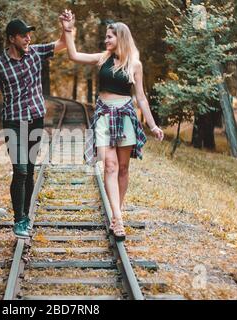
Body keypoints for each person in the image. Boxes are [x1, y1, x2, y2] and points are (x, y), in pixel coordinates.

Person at [60, 10, 164, 241]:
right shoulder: (103, 58)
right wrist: (68, 29)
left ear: (121, 38)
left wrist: (153, 125)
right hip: (104, 115)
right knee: (109, 165)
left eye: (110, 37)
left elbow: (142, 98)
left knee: (124, 168)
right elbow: (74, 55)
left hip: (126, 115)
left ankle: (117, 213)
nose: (106, 40)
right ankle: (118, 218)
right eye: (106, 37)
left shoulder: (135, 65)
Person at [0, 18, 67, 238]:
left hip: (36, 120)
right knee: (20, 171)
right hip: (14, 122)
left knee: (29, 170)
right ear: (12, 38)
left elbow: (62, 44)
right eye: (24, 35)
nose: (28, 38)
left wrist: (66, 27)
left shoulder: (36, 53)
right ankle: (19, 219)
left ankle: (25, 214)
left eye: (29, 34)